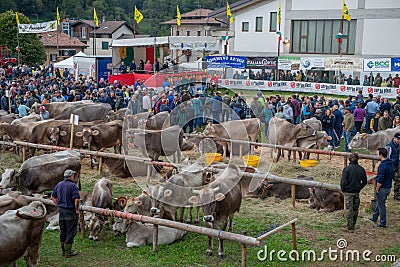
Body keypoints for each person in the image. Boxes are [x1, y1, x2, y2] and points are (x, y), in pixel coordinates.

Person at [51, 169, 80, 257]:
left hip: (62, 212)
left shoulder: (59, 184)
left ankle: (63, 251)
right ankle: (68, 252)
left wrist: (58, 205)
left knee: (63, 231)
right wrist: (77, 209)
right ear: (71, 176)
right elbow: (77, 200)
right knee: (70, 232)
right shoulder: (73, 186)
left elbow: (53, 196)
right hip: (70, 212)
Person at [340, 153, 367, 232]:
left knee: (349, 209)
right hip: (356, 192)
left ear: (349, 160)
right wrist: (359, 188)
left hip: (348, 191)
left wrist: (343, 189)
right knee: (355, 209)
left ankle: (350, 226)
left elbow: (343, 181)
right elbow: (364, 181)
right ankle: (353, 224)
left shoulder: (347, 169)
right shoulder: (361, 169)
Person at [371, 148, 393, 227]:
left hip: (382, 188)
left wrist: (377, 189)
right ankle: (374, 217)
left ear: (380, 155)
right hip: (388, 187)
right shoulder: (390, 163)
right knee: (379, 203)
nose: (377, 155)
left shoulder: (382, 165)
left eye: (377, 154)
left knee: (381, 205)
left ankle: (382, 222)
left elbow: (380, 179)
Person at [385, 133, 400, 200]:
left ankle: (397, 194)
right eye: (398, 139)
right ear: (394, 138)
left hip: (396, 165)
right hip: (390, 166)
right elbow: (386, 157)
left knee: (398, 180)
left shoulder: (398, 145)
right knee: (387, 181)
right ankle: (384, 193)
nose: (399, 140)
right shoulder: (389, 146)